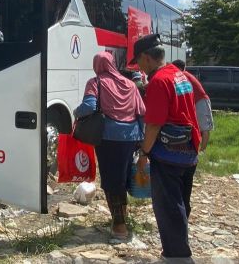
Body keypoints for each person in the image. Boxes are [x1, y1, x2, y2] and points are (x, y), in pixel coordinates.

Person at [132, 34, 200, 261]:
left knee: (168, 207)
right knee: (180, 203)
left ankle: (178, 256)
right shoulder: (180, 75)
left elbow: (154, 124)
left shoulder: (158, 81)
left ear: (146, 57)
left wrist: (143, 153)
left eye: (138, 61)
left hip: (168, 154)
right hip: (188, 151)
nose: (138, 66)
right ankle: (179, 247)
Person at [74, 51, 145, 241]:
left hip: (109, 138)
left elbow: (89, 107)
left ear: (97, 65)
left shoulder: (96, 82)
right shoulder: (130, 84)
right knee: (122, 177)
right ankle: (121, 217)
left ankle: (120, 227)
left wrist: (76, 112)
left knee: (112, 181)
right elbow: (141, 112)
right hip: (131, 137)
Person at [173, 59, 214, 152]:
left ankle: (202, 150)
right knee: (198, 127)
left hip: (201, 100)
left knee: (204, 128)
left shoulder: (183, 75)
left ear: (179, 68)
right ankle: (198, 148)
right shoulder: (182, 75)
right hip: (194, 102)